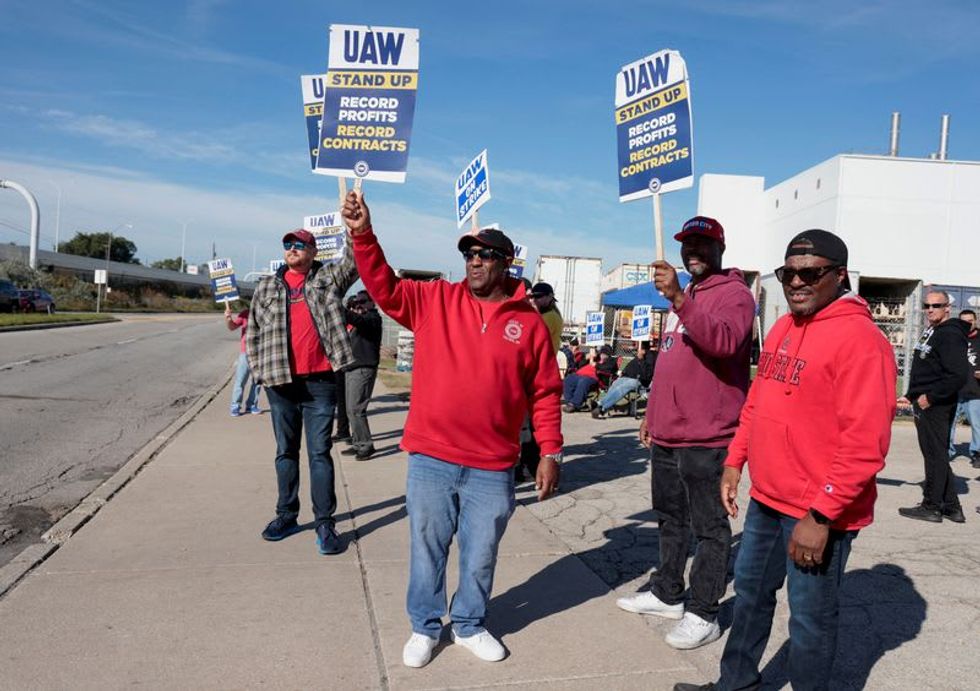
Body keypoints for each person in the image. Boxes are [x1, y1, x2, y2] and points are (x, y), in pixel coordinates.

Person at [342, 189, 562, 670]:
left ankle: (468, 623)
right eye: (468, 253)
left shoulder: (529, 324)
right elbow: (383, 287)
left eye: (485, 254)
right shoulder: (434, 299)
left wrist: (550, 451)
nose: (474, 261)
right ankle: (425, 626)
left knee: (480, 553)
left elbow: (545, 393)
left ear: (507, 263)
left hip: (493, 464)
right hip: (432, 458)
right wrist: (363, 234)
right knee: (427, 549)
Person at [673, 229, 897, 691]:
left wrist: (821, 514)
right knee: (752, 597)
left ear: (839, 276)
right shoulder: (781, 326)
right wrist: (736, 461)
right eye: (788, 273)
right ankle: (735, 684)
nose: (796, 281)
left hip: (819, 512)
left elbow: (865, 445)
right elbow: (757, 401)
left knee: (810, 621)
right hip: (768, 501)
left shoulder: (862, 341)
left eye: (809, 272)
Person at [618, 216, 754, 651]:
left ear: (721, 246)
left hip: (708, 437)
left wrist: (677, 297)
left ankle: (704, 611)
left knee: (710, 527)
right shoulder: (689, 295)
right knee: (670, 519)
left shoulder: (734, 294)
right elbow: (673, 361)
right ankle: (667, 593)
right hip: (669, 435)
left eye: (702, 243)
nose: (693, 250)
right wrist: (652, 414)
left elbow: (724, 343)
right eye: (687, 244)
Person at [246, 228, 358, 555]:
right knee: (285, 453)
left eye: (299, 245)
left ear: (312, 250)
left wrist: (354, 227)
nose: (292, 249)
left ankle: (325, 523)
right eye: (288, 245)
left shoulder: (328, 278)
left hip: (320, 382)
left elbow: (354, 261)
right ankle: (286, 515)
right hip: (281, 383)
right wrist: (259, 371)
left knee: (319, 454)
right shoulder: (267, 285)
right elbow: (252, 332)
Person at [899, 290, 970, 523]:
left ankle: (932, 506)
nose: (930, 309)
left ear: (947, 307)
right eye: (927, 305)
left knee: (934, 455)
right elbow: (926, 367)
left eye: (936, 305)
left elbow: (957, 375)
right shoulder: (933, 330)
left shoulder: (950, 334)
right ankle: (952, 506)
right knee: (935, 453)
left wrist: (931, 397)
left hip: (936, 404)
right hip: (924, 400)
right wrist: (911, 395)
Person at [340, 290, 383, 461]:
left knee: (356, 409)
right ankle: (358, 442)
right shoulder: (362, 321)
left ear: (372, 302)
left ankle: (366, 444)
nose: (360, 304)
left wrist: (339, 307)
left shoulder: (373, 318)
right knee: (351, 409)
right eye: (358, 301)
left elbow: (356, 319)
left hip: (363, 368)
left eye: (363, 301)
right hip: (353, 368)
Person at [592, 340, 657, 418]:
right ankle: (602, 409)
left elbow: (647, 374)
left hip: (640, 380)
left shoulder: (650, 356)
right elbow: (630, 367)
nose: (635, 346)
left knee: (623, 387)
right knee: (616, 383)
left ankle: (601, 405)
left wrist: (641, 359)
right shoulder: (638, 355)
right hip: (628, 377)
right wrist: (623, 373)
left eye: (637, 344)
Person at [948, 309, 980, 467]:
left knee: (977, 424)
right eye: (963, 321)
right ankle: (947, 452)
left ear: (976, 321)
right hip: (954, 391)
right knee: (948, 423)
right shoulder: (953, 338)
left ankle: (977, 453)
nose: (967, 323)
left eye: (970, 320)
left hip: (975, 391)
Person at [225, 303, 262, 416]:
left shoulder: (266, 314)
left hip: (261, 352)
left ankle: (251, 405)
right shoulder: (245, 313)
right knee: (240, 380)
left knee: (257, 382)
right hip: (245, 352)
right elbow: (232, 327)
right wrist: (228, 318)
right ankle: (235, 406)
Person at [561, 345, 616, 412]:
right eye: (602, 353)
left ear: (609, 355)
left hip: (593, 378)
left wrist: (596, 365)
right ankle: (569, 403)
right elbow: (580, 365)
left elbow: (609, 369)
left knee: (583, 381)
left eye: (605, 354)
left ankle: (574, 404)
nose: (603, 355)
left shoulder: (611, 361)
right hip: (579, 375)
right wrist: (587, 358)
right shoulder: (595, 357)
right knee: (568, 379)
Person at [528, 282, 563, 352]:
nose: (534, 300)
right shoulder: (552, 314)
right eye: (532, 297)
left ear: (550, 297)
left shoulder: (550, 316)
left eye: (538, 296)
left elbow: (533, 339)